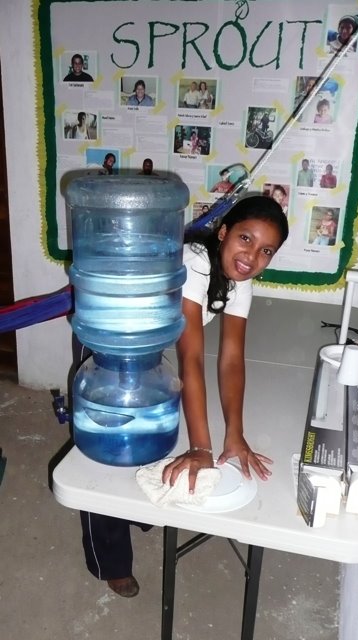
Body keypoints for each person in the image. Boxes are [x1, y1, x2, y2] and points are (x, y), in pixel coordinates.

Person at [79, 195, 289, 598]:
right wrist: (201, 447)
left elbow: (230, 360)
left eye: (266, 250)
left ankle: (137, 512)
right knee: (105, 453)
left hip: (154, 348)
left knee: (154, 433)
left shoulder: (240, 278)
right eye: (245, 239)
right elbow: (191, 357)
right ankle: (110, 561)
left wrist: (235, 435)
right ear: (223, 232)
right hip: (112, 343)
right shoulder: (194, 261)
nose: (252, 256)